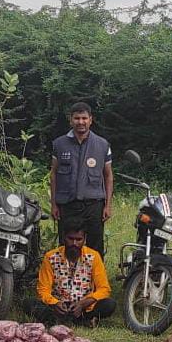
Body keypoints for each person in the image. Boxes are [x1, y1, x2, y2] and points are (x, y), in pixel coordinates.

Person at [49, 102, 113, 257]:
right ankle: (66, 279)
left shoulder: (102, 144)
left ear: (91, 119)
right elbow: (54, 174)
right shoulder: (59, 144)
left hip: (94, 205)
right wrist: (54, 205)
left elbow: (108, 175)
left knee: (95, 247)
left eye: (84, 118)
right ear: (71, 120)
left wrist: (108, 205)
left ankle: (94, 281)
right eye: (77, 118)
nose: (80, 122)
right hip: (67, 205)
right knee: (67, 246)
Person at [30, 222, 116, 325]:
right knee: (29, 303)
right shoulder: (50, 257)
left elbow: (104, 289)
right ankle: (64, 320)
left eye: (78, 239)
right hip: (58, 307)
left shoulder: (93, 256)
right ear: (64, 238)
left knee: (109, 304)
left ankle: (80, 319)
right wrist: (54, 303)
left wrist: (82, 304)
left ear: (84, 239)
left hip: (84, 307)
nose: (74, 243)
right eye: (70, 239)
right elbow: (43, 290)